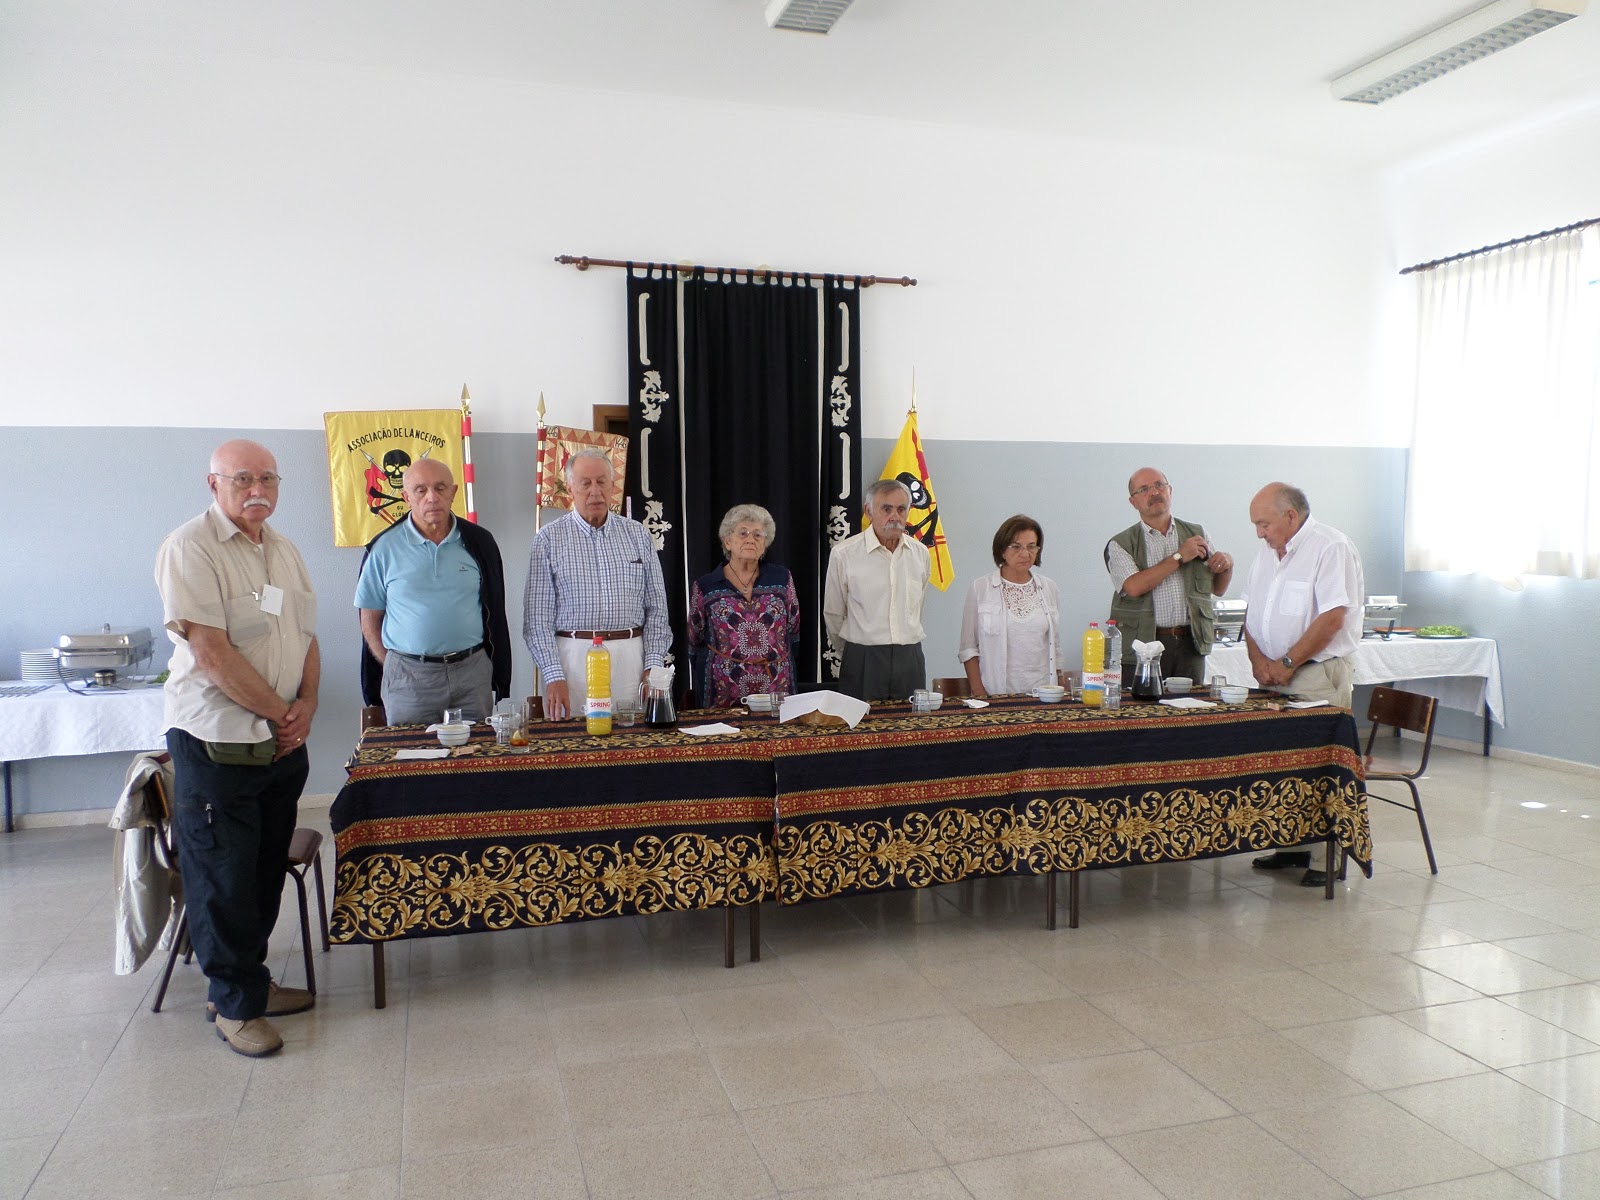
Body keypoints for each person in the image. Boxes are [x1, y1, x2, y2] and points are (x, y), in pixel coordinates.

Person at [153, 439, 319, 1057]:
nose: (257, 490)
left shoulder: (283, 550)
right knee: (222, 875)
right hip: (217, 743)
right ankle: (233, 1005)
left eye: (268, 479)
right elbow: (211, 653)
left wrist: (307, 705)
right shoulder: (190, 548)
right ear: (213, 483)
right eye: (243, 478)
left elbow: (306, 637)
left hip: (279, 744)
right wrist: (282, 713)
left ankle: (249, 980)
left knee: (262, 870)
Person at [1242, 481, 1365, 886]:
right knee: (1281, 763)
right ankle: (1290, 845)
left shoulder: (1330, 547)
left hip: (1316, 674)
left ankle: (1325, 858)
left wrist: (1289, 662)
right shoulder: (1266, 553)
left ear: (1291, 516)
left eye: (1263, 524)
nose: (1259, 533)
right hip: (1274, 675)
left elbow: (1332, 618)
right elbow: (1252, 612)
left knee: (1319, 765)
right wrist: (1258, 660)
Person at [355, 458, 511, 725]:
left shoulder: (480, 543)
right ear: (406, 497)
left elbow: (495, 610)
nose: (432, 497)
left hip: (471, 675)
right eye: (421, 490)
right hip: (409, 679)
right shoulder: (383, 548)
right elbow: (369, 619)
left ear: (453, 492)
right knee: (412, 750)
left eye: (440, 488)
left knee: (476, 749)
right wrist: (394, 664)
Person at [524, 448, 670, 720]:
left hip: (631, 660)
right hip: (573, 662)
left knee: (634, 739)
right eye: (585, 483)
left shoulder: (637, 535)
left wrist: (653, 665)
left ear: (612, 485)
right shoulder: (548, 539)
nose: (595, 491)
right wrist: (553, 674)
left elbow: (657, 608)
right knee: (574, 740)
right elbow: (537, 620)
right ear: (570, 488)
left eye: (602, 482)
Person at [1104, 467, 1234, 684]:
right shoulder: (1120, 543)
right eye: (1144, 489)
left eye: (1159, 485)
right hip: (1144, 645)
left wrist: (1227, 564)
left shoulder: (1197, 533)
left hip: (1191, 643)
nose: (1155, 492)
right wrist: (1179, 556)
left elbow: (1218, 589)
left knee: (1191, 705)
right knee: (1143, 705)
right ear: (1133, 502)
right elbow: (1134, 587)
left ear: (1170, 491)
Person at [823, 478, 932, 701]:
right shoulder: (845, 554)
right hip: (863, 658)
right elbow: (833, 614)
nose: (895, 516)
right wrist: (854, 651)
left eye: (901, 509)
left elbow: (918, 609)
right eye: (886, 509)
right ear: (868, 511)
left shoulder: (921, 554)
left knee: (911, 723)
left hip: (909, 658)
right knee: (860, 722)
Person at [687, 504, 800, 707]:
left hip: (776, 684)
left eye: (758, 535)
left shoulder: (782, 578)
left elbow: (794, 628)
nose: (750, 539)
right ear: (727, 541)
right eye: (743, 533)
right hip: (721, 689)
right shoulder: (705, 585)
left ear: (765, 543)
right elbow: (694, 639)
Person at [958, 514, 1062, 697]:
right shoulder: (980, 588)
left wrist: (1060, 691)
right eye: (1016, 547)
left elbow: (1056, 646)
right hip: (996, 694)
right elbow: (968, 649)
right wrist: (980, 692)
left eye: (1031, 547)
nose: (1025, 554)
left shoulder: (1049, 588)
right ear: (1002, 550)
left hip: (1043, 694)